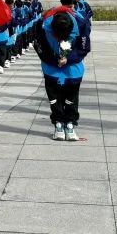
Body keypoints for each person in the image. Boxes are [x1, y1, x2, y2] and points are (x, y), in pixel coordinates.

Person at [33, 11, 86, 142]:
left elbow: (84, 47)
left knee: (71, 99)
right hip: (51, 69)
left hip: (73, 70)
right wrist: (54, 60)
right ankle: (58, 124)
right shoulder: (42, 24)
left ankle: (70, 124)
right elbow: (38, 46)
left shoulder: (81, 23)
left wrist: (69, 59)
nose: (59, 40)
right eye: (56, 36)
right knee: (54, 99)